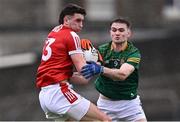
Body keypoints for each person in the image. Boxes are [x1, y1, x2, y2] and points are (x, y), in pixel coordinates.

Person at [35, 3, 111, 121]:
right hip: (59, 93)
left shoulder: (54, 32)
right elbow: (83, 71)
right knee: (104, 119)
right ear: (66, 20)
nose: (81, 25)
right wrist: (97, 63)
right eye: (78, 20)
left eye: (82, 21)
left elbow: (79, 79)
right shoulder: (72, 35)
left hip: (44, 96)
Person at [81, 17, 147, 122]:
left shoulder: (133, 53)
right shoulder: (102, 50)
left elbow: (122, 75)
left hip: (129, 105)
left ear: (128, 33)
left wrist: (100, 69)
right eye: (114, 30)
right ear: (110, 32)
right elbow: (87, 71)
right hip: (106, 105)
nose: (117, 33)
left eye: (121, 30)